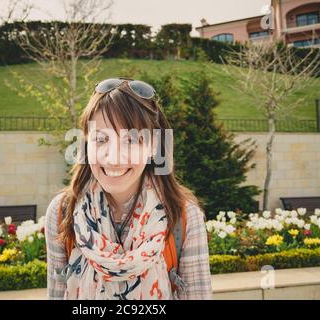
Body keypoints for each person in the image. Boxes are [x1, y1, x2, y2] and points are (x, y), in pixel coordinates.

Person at [45, 78, 213, 300]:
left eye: (131, 141)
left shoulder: (184, 216)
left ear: (153, 146)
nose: (114, 158)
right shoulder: (62, 211)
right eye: (101, 139)